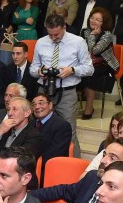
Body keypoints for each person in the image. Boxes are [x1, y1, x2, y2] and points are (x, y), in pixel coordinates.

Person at [31, 13, 92, 155]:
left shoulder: (78, 42)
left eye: (57, 35)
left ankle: (73, 163)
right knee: (39, 127)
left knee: (69, 130)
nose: (53, 38)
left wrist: (72, 70)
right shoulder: (41, 42)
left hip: (66, 92)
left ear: (64, 27)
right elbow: (33, 68)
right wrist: (39, 71)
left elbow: (89, 69)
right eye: (50, 35)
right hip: (44, 91)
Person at [80, 6, 119, 118]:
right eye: (92, 18)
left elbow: (95, 50)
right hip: (87, 62)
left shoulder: (107, 35)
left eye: (97, 20)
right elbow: (80, 48)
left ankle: (89, 108)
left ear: (103, 23)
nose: (93, 21)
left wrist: (92, 36)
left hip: (104, 64)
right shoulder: (84, 31)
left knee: (91, 74)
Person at [0, 96, 42, 161]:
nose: (10, 113)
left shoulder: (34, 136)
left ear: (27, 113)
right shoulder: (4, 130)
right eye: (8, 110)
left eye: (14, 109)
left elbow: (21, 160)